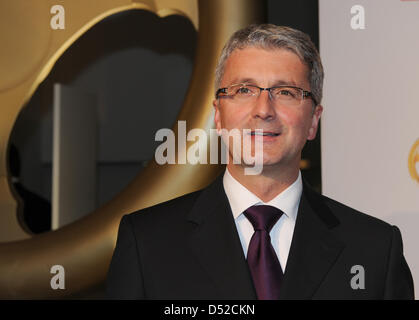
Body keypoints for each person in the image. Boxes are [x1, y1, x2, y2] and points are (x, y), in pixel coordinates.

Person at [106, 24, 414, 299]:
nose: (264, 109)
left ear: (313, 121)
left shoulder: (374, 249)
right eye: (244, 90)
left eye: (285, 92)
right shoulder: (148, 243)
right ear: (218, 115)